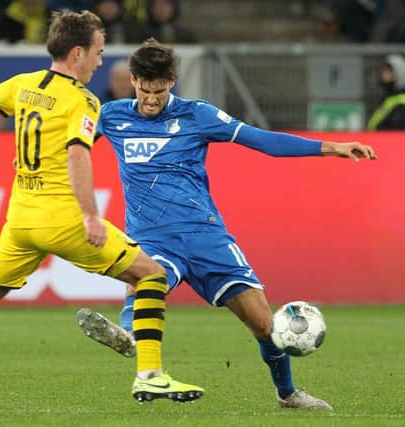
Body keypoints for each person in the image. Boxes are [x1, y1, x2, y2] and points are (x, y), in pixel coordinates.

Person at [0, 11, 203, 408]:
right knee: (151, 275)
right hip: (63, 219)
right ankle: (150, 377)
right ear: (77, 52)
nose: (100, 62)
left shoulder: (23, 85)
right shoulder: (83, 101)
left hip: (21, 220)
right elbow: (77, 155)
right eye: (97, 53)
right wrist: (90, 216)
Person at [77, 38, 377, 410]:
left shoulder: (196, 115)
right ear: (133, 80)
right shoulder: (112, 116)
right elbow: (71, 148)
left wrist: (331, 147)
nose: (151, 99)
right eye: (144, 89)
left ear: (172, 81)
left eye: (159, 90)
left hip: (205, 236)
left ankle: (288, 394)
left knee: (264, 324)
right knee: (144, 279)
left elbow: (260, 139)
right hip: (151, 237)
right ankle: (130, 334)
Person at [367, 54, 405, 130]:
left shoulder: (401, 101)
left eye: (388, 71)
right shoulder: (389, 97)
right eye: (383, 70)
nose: (383, 74)